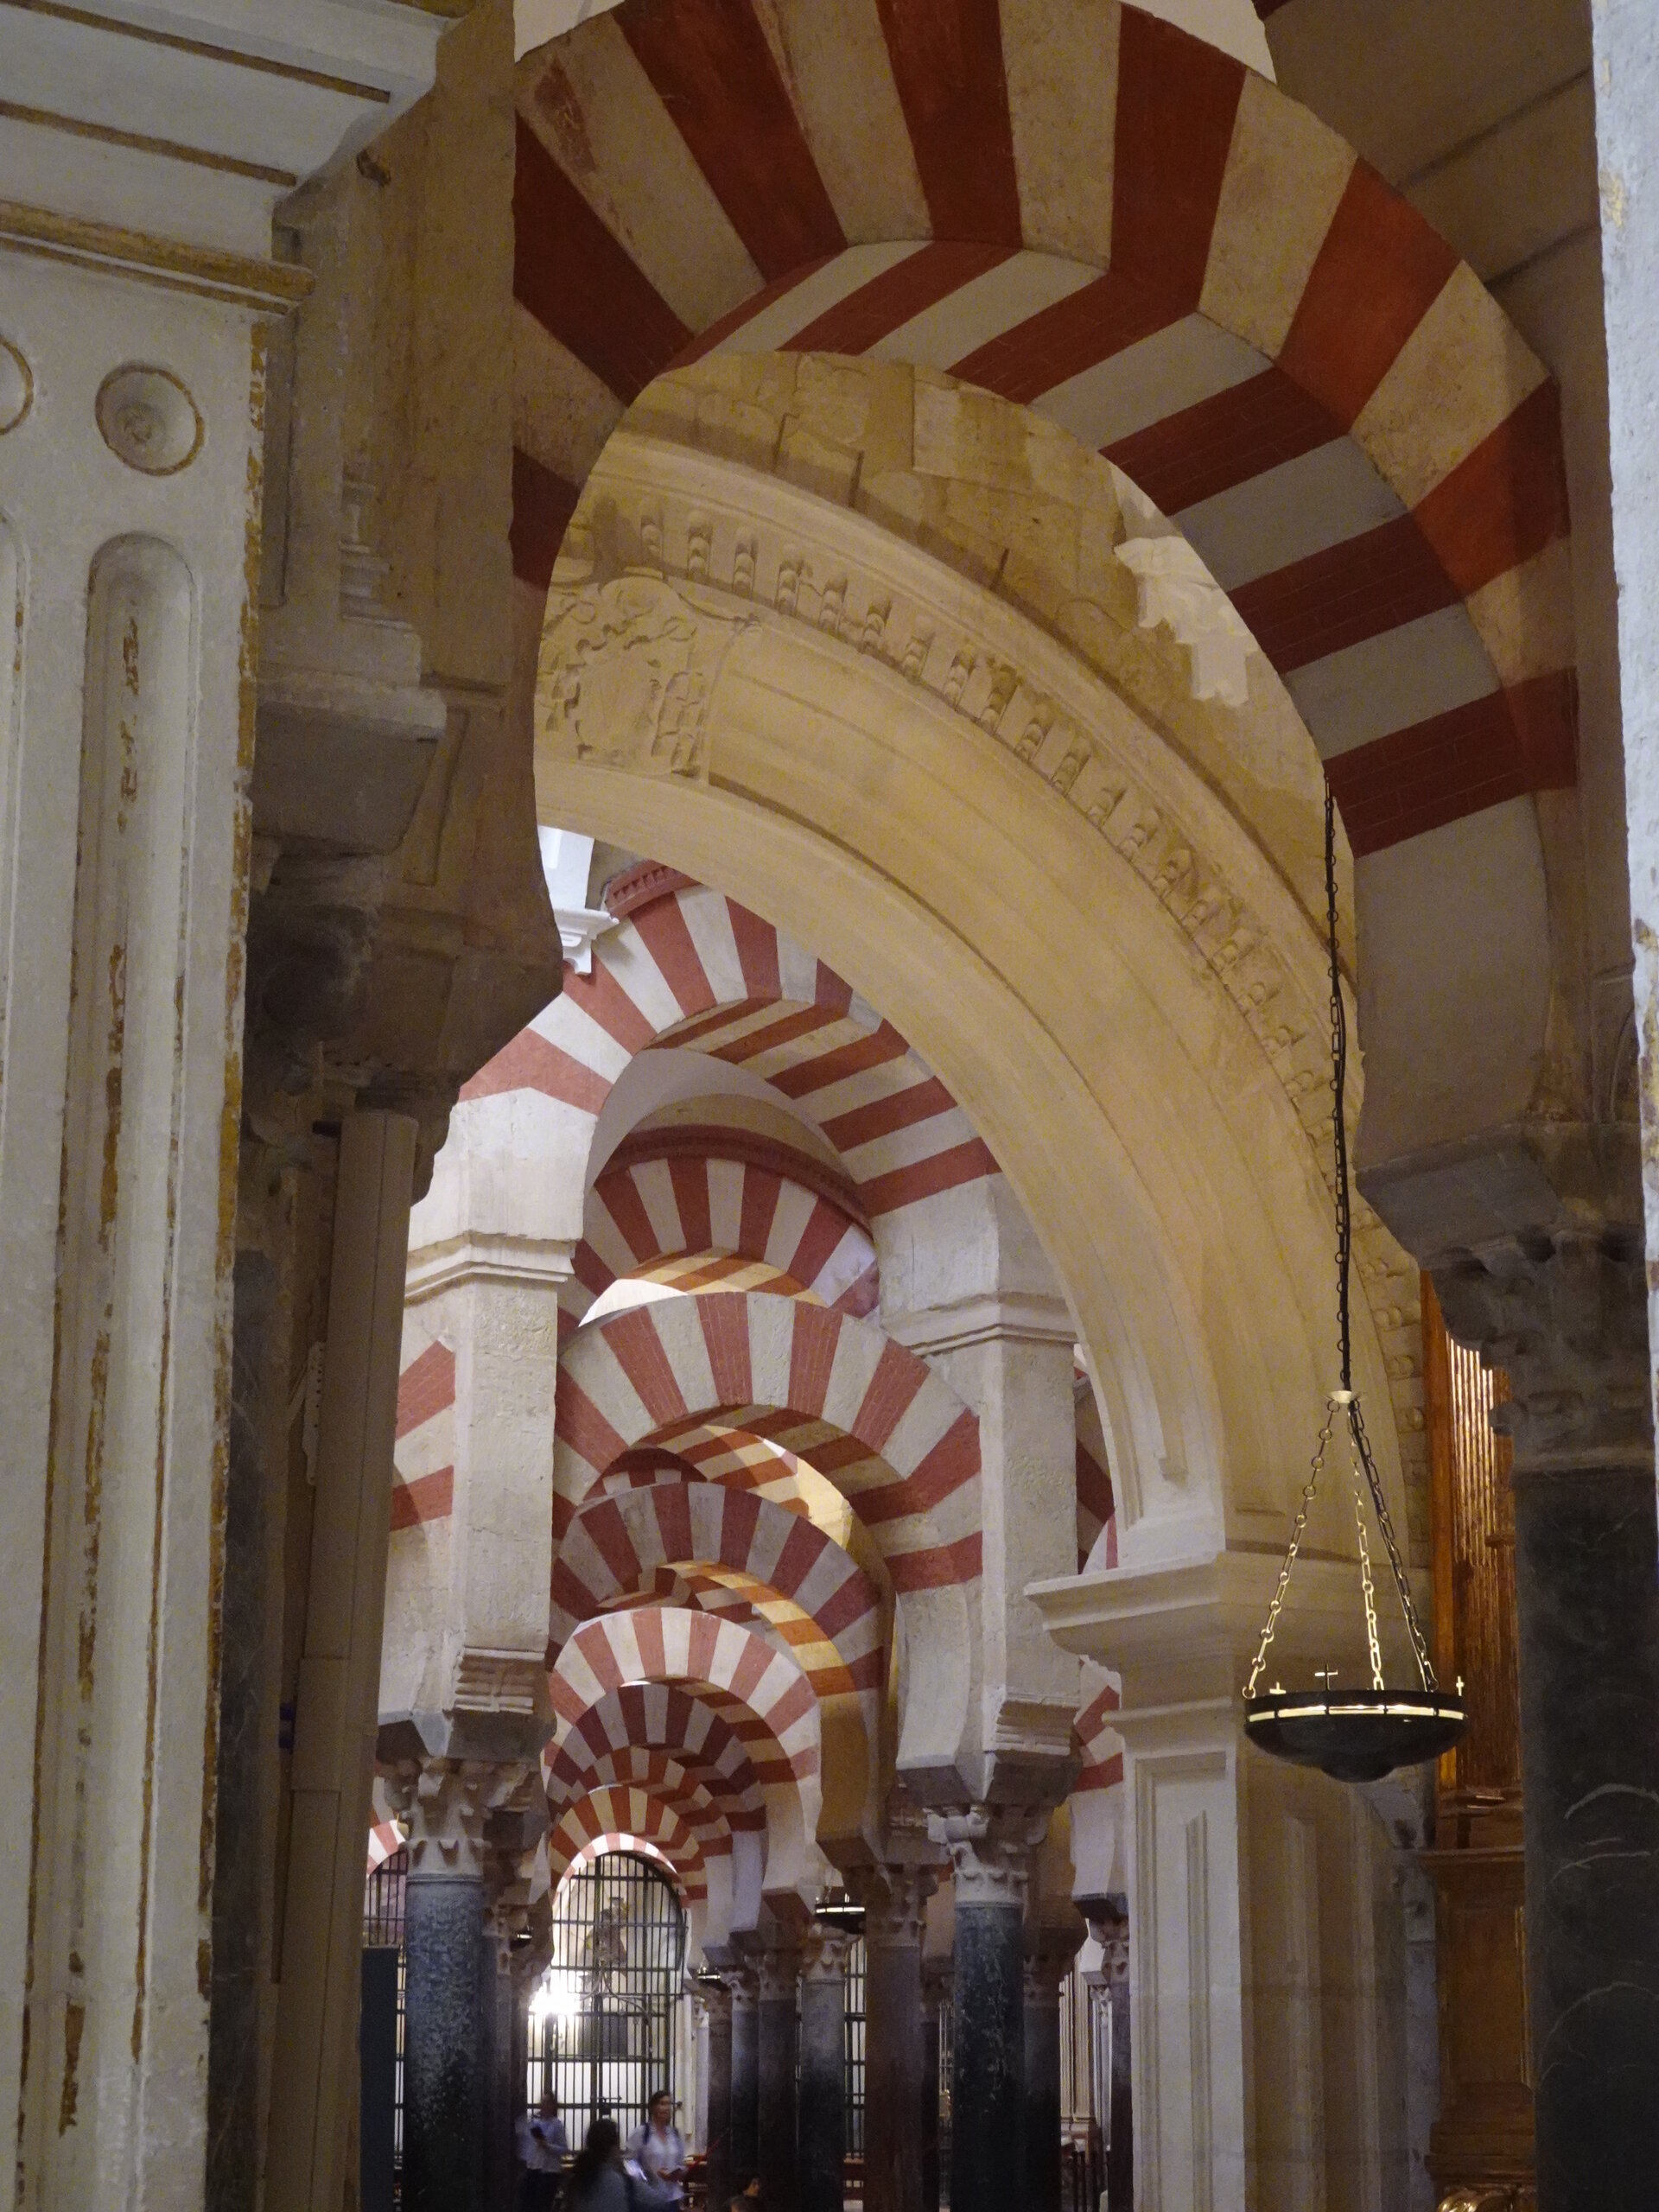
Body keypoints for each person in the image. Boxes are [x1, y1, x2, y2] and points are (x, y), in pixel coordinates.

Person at [625, 2091, 687, 2207]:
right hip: (649, 2197)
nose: (667, 2108)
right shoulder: (642, 2133)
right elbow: (629, 2163)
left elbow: (681, 2162)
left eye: (669, 2104)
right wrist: (649, 2176)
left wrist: (678, 2173)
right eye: (662, 2104)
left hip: (673, 2197)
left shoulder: (674, 2134)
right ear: (652, 2107)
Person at [517, 2088, 569, 2210]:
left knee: (541, 2204)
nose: (544, 2105)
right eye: (543, 2102)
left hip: (549, 2171)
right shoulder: (534, 2122)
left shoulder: (556, 2125)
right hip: (534, 2168)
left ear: (553, 2105)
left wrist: (547, 2146)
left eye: (548, 2102)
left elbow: (564, 2149)